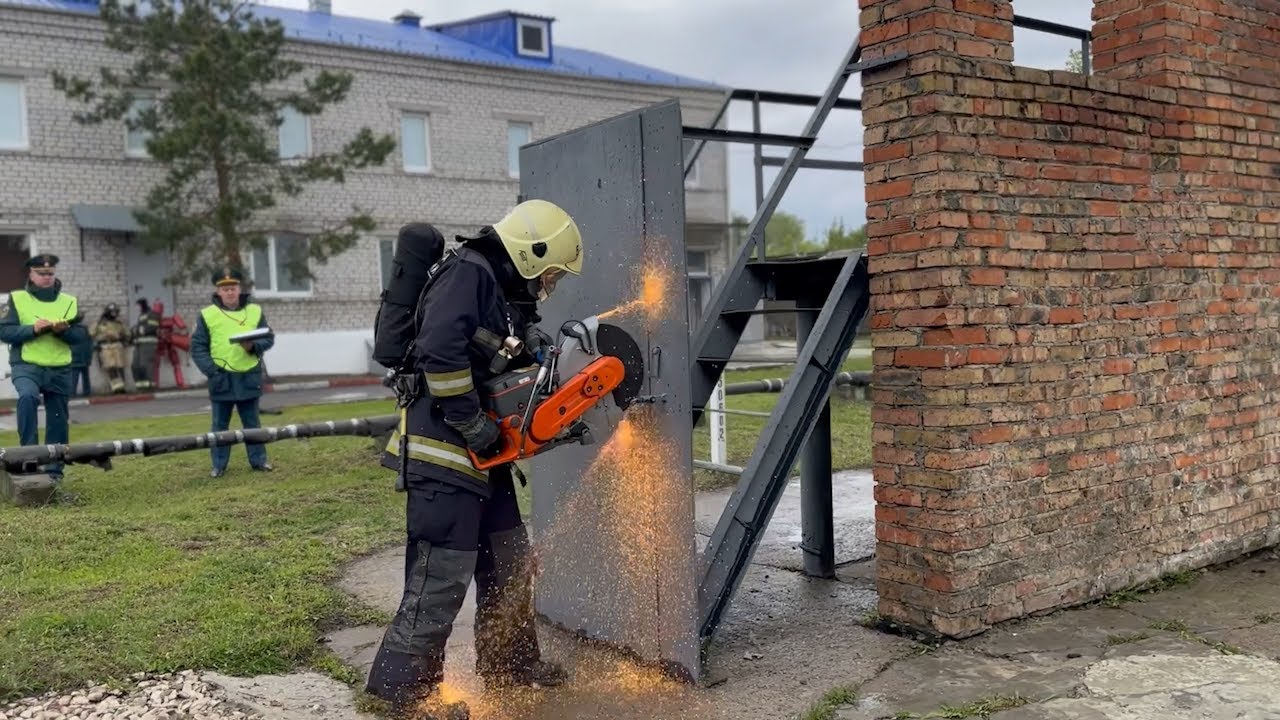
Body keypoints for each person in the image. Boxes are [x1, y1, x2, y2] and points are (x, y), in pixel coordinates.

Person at [366, 199, 582, 719]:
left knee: (508, 562)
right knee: (441, 572)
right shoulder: (469, 274)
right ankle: (404, 694)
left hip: (485, 456)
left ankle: (509, 666)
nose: (549, 282)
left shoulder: (503, 289)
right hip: (445, 450)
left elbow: (502, 350)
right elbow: (440, 352)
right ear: (531, 253)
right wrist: (473, 425)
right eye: (550, 271)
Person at [0, 254, 90, 481]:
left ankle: (54, 472)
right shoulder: (17, 298)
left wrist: (64, 331)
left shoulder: (68, 301)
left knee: (58, 418)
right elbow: (4, 331)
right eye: (41, 274)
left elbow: (81, 336)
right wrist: (33, 329)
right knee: (28, 398)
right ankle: (28, 461)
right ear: (30, 274)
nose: (47, 278)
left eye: (50, 274)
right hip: (27, 365)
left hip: (59, 367)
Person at [189, 267, 275, 478]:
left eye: (233, 288)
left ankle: (259, 461)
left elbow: (268, 337)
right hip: (221, 377)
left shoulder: (255, 311)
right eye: (225, 289)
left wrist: (253, 347)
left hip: (248, 376)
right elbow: (198, 347)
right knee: (219, 425)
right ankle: (218, 466)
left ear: (239, 289)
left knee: (252, 424)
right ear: (218, 292)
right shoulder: (207, 315)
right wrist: (212, 371)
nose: (229, 292)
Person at [90, 303, 130, 394]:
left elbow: (127, 334)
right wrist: (98, 322)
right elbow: (91, 333)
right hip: (105, 348)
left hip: (117, 347)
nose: (114, 314)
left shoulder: (119, 323)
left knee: (120, 367)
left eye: (115, 312)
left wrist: (125, 342)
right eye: (112, 312)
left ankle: (123, 386)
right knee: (110, 368)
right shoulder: (100, 323)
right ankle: (116, 388)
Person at [130, 298, 161, 391]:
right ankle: (141, 386)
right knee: (135, 365)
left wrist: (137, 330)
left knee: (146, 365)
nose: (138, 308)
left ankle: (150, 386)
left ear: (142, 305)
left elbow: (151, 327)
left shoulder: (152, 314)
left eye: (138, 306)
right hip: (139, 344)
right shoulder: (142, 315)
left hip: (148, 344)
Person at [69, 322, 93, 397]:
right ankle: (87, 392)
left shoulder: (70, 329)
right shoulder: (84, 329)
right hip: (84, 356)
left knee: (74, 377)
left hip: (75, 357)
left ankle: (72, 392)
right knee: (85, 377)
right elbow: (90, 343)